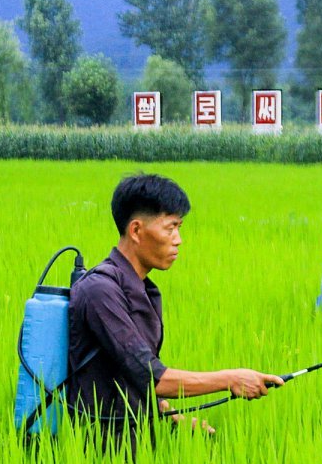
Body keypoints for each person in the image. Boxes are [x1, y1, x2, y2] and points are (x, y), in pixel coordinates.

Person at [67, 173, 283, 441]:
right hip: (99, 448)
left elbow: (127, 377)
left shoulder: (144, 289)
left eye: (179, 228)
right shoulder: (100, 291)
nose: (178, 239)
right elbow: (152, 378)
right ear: (136, 230)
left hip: (135, 439)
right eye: (170, 228)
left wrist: (173, 418)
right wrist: (231, 379)